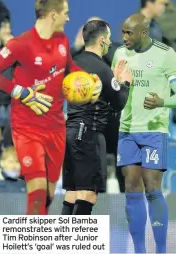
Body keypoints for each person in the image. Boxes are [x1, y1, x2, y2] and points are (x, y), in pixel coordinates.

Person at [0, 0, 81, 215]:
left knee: (47, 196)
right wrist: (21, 92)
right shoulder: (20, 44)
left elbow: (71, 70)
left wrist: (91, 81)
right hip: (27, 127)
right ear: (53, 15)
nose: (68, 18)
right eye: (66, 13)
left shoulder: (62, 41)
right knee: (37, 193)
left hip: (55, 127)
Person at [112, 13, 176, 253]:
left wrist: (161, 102)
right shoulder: (120, 54)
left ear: (143, 33)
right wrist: (116, 83)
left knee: (152, 187)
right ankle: (139, 250)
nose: (123, 37)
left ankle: (161, 250)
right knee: (131, 186)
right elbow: (115, 92)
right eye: (122, 32)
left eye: (129, 33)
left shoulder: (167, 54)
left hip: (154, 131)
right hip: (127, 130)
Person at [61, 20, 132, 215]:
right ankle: (78, 244)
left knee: (72, 193)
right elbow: (119, 102)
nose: (110, 42)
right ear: (102, 40)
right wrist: (124, 83)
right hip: (90, 136)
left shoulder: (73, 63)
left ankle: (61, 243)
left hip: (70, 132)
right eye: (108, 38)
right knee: (87, 195)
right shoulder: (102, 69)